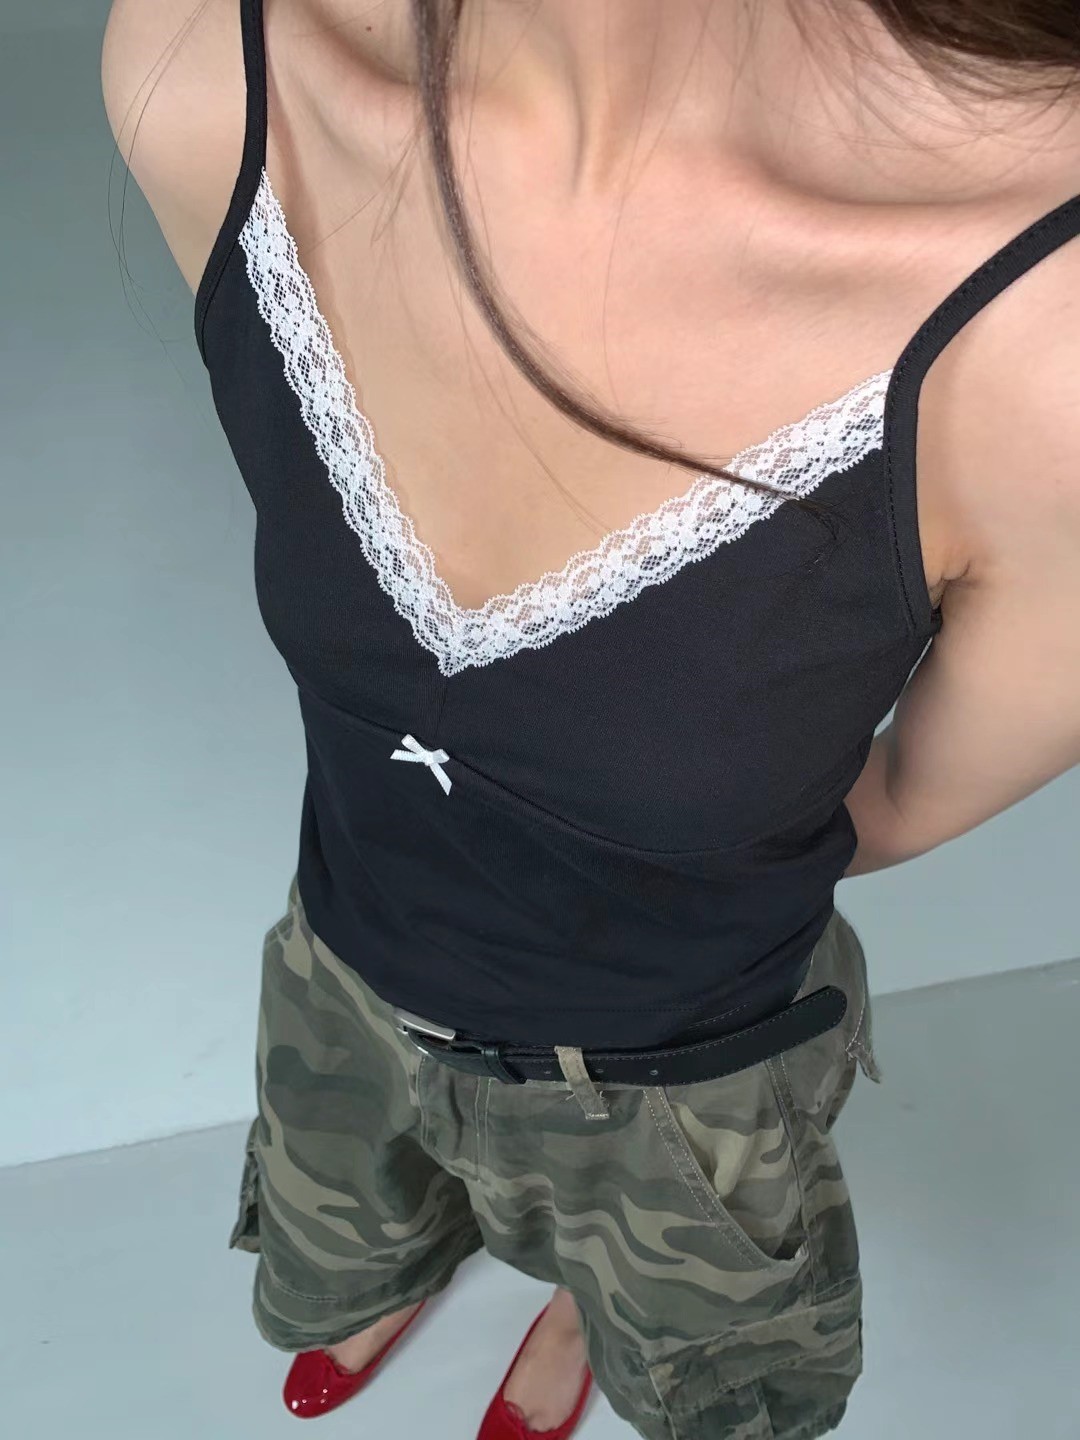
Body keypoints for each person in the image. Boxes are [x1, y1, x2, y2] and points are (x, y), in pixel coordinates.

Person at [101, 1, 1080, 1436]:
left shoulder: (1049, 337)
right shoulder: (203, 56)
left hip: (678, 1087)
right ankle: (412, 1253)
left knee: (675, 1325)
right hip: (342, 977)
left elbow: (894, 805)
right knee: (350, 1216)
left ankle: (586, 1292)